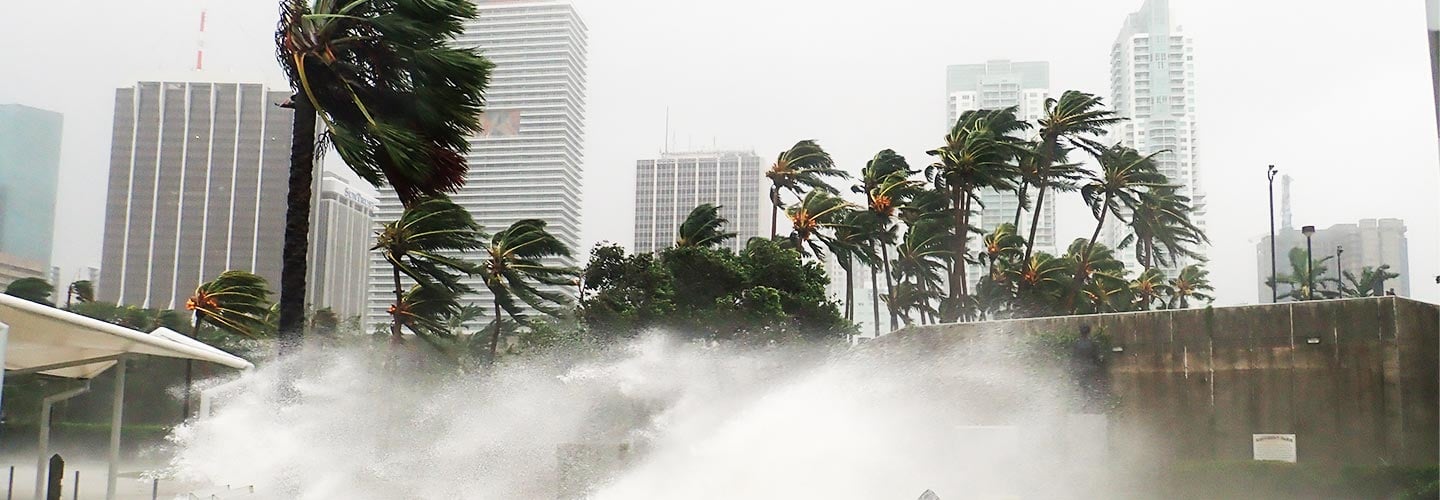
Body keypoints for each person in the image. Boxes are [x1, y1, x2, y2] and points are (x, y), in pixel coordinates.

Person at [1070, 324, 1103, 411]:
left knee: (1082, 388)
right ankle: (1091, 406)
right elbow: (1097, 358)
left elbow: (1073, 358)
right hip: (1091, 368)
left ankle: (1082, 405)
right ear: (1089, 332)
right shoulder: (1093, 344)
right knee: (1091, 388)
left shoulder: (1076, 344)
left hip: (1079, 369)